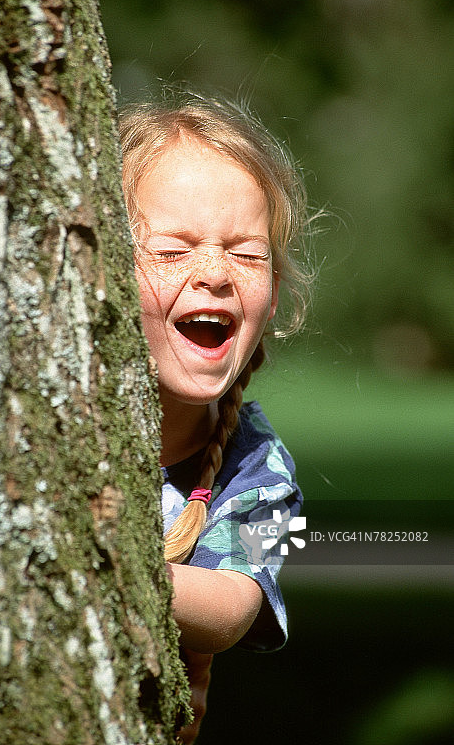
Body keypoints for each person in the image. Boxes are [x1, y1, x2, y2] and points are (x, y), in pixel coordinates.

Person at [119, 91, 311, 744]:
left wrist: (85, 565)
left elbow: (231, 605)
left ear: (275, 291)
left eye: (247, 253)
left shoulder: (260, 469)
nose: (214, 274)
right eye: (170, 249)